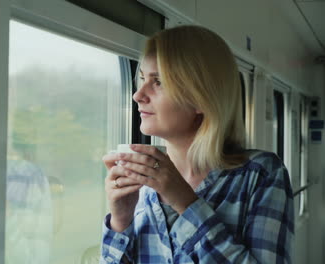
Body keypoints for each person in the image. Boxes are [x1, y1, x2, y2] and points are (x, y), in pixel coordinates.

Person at [100, 25, 293, 264]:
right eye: (141, 79)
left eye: (158, 82)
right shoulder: (141, 182)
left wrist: (184, 201)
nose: (138, 95)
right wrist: (120, 222)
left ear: (201, 97)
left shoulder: (260, 174)